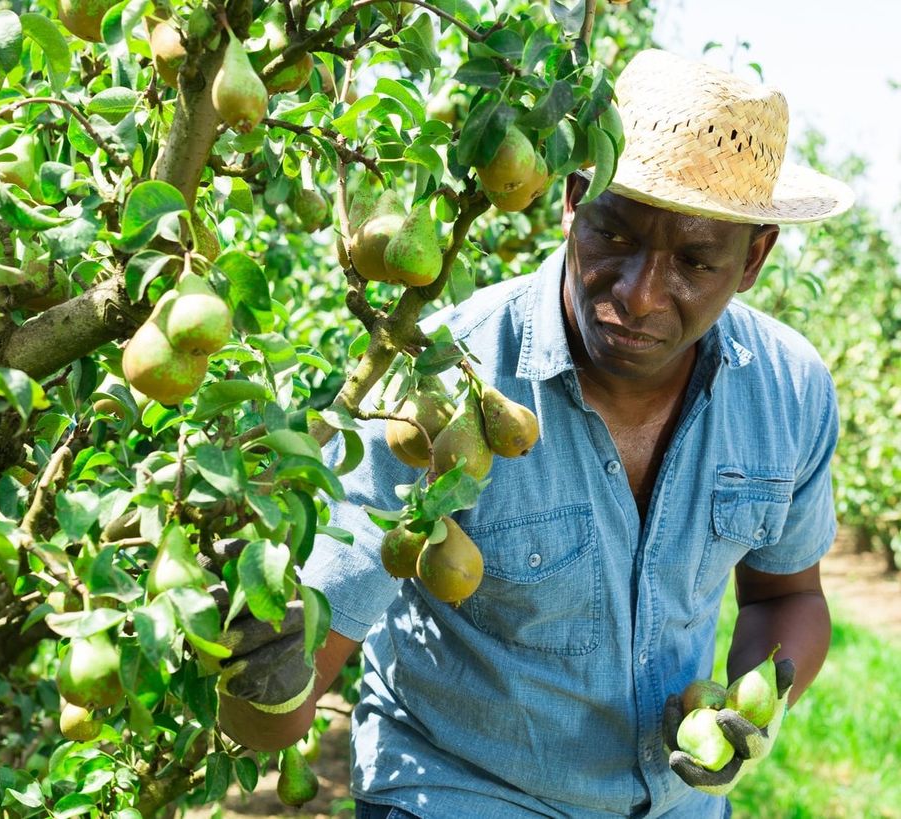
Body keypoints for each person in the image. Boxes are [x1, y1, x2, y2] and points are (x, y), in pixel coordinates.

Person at [216, 48, 854, 817]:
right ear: (573, 202)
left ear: (753, 257)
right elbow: (271, 718)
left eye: (693, 261)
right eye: (615, 236)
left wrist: (752, 707)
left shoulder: (786, 390)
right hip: (457, 789)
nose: (640, 295)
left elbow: (787, 595)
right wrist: (257, 659)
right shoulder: (434, 390)